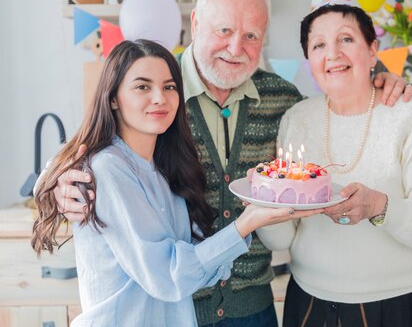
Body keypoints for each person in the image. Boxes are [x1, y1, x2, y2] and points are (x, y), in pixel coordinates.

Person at [48, 0, 412, 327]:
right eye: (224, 30)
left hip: (253, 306)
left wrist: (385, 82)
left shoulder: (282, 98)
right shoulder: (156, 92)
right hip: (179, 307)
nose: (236, 47)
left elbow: (339, 106)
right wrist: (55, 182)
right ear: (198, 21)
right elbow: (88, 149)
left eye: (251, 35)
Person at [32, 40, 318, 327]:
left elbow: (189, 267)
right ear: (113, 98)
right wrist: (247, 223)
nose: (160, 98)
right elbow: (168, 276)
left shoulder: (161, 166)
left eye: (169, 87)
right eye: (142, 87)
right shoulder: (108, 167)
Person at [255, 0, 412, 327]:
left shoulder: (410, 114)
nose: (332, 54)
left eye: (346, 39)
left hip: (400, 306)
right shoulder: (296, 119)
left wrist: (380, 207)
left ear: (372, 51)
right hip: (311, 304)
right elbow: (280, 239)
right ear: (308, 59)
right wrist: (265, 197)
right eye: (318, 45)